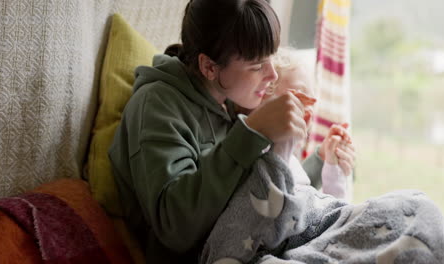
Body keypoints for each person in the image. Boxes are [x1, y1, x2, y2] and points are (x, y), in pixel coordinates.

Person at [109, 0, 342, 262]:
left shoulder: (228, 96)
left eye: (271, 59)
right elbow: (175, 228)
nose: (273, 75)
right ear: (209, 67)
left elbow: (257, 194)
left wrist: (319, 161)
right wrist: (251, 130)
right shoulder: (156, 107)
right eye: (257, 66)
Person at [264, 47, 356, 199]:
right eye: (300, 96)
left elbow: (317, 209)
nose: (309, 111)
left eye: (312, 100)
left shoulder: (293, 163)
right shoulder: (257, 161)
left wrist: (331, 167)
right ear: (262, 100)